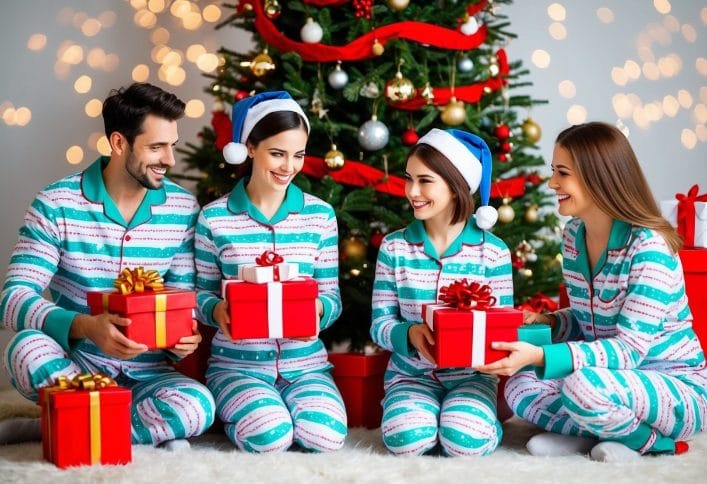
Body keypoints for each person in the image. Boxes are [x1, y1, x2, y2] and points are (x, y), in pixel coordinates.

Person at [0, 82, 215, 450]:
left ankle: (66, 423)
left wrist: (183, 339)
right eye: (156, 147)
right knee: (25, 349)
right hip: (76, 367)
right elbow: (12, 300)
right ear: (119, 143)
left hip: (149, 374)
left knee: (199, 407)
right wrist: (86, 327)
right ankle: (130, 428)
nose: (170, 159)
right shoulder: (57, 203)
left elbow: (183, 298)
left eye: (172, 146)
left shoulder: (182, 209)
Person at [477, 121, 707, 462]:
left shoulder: (649, 248)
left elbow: (628, 351)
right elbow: (592, 320)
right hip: (608, 380)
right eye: (553, 171)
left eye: (563, 173)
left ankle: (651, 443)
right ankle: (594, 432)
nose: (553, 183)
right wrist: (552, 322)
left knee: (580, 385)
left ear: (598, 176)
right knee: (520, 385)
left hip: (674, 388)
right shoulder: (573, 236)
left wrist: (541, 356)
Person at [195, 90, 346, 453]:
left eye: (298, 155)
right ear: (249, 148)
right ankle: (248, 412)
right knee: (270, 436)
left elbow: (332, 297)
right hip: (237, 366)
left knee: (324, 437)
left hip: (306, 366)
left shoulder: (320, 216)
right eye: (277, 153)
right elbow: (199, 296)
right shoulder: (214, 218)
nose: (288, 167)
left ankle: (289, 406)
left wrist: (318, 309)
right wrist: (218, 310)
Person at [370, 128, 512, 456]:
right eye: (409, 179)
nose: (412, 191)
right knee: (406, 442)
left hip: (472, 378)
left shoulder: (493, 252)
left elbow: (502, 330)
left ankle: (483, 422)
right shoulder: (395, 247)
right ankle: (425, 417)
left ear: (455, 185)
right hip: (410, 376)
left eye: (425, 180)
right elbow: (379, 325)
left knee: (464, 441)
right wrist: (410, 333)